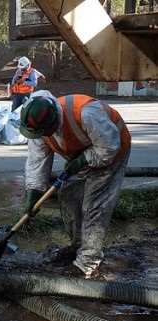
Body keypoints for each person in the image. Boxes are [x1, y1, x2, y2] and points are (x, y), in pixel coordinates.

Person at [19, 90, 131, 279]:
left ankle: (87, 262)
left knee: (94, 206)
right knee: (68, 195)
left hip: (111, 153)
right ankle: (79, 244)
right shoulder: (38, 128)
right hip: (79, 157)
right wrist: (33, 192)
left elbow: (108, 148)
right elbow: (37, 161)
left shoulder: (86, 113)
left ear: (52, 124)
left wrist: (83, 160)